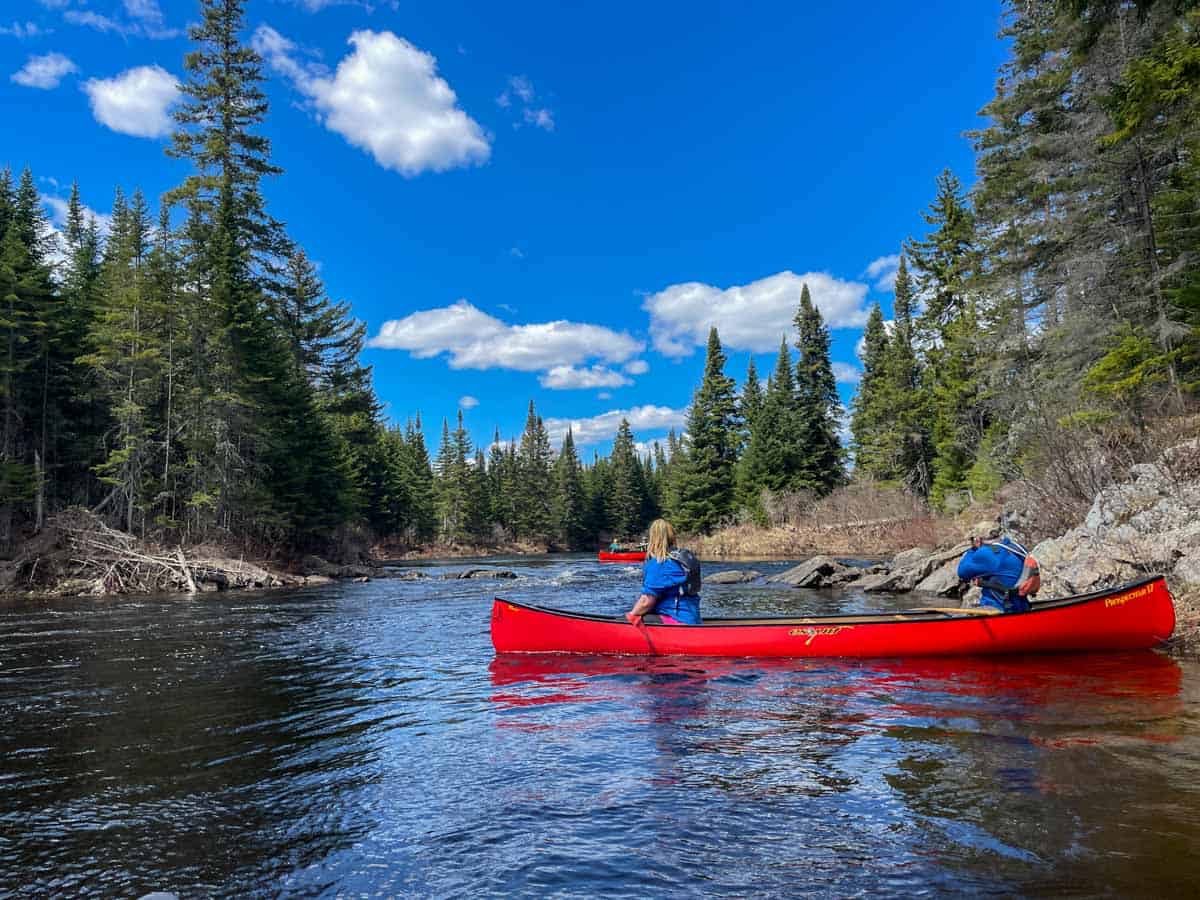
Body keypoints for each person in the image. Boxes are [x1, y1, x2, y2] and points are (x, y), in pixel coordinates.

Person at [624, 518, 701, 625]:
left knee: (626, 619)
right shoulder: (682, 559)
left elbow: (646, 602)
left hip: (676, 620)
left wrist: (630, 615)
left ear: (653, 538)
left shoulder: (659, 563)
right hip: (693, 618)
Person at [956, 529, 1039, 614]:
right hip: (1022, 607)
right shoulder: (1016, 547)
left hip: (1000, 608)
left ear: (978, 539)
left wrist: (973, 549)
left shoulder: (987, 553)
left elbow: (962, 572)